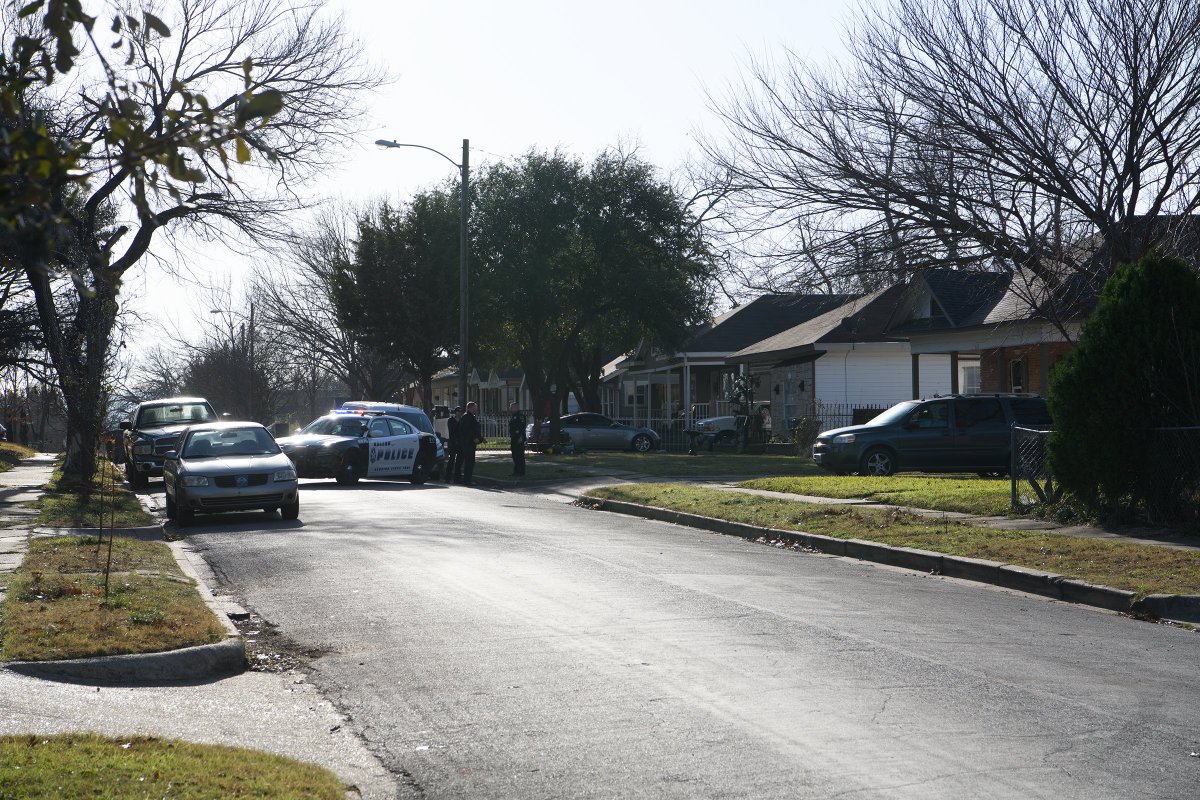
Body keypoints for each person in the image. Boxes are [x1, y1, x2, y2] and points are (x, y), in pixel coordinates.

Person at [459, 401, 483, 485]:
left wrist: (481, 438)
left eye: (476, 407)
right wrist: (474, 438)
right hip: (468, 443)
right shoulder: (466, 417)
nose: (475, 409)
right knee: (469, 461)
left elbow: (474, 429)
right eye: (474, 407)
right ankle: (467, 480)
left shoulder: (471, 417)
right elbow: (467, 430)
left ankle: (468, 479)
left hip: (471, 443)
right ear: (469, 408)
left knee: (471, 461)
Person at [508, 402, 526, 476]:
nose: (511, 409)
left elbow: (522, 427)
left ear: (516, 407)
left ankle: (521, 471)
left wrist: (521, 437)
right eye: (510, 407)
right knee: (515, 455)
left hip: (519, 438)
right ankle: (516, 471)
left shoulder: (520, 416)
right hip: (514, 437)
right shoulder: (513, 416)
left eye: (512, 407)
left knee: (519, 455)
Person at [446, 406, 463, 483]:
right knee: (451, 460)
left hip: (460, 443)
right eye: (458, 411)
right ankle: (447, 478)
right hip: (453, 443)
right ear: (455, 412)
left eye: (460, 412)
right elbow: (452, 430)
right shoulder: (451, 420)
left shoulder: (462, 420)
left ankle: (457, 478)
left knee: (459, 461)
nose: (459, 413)